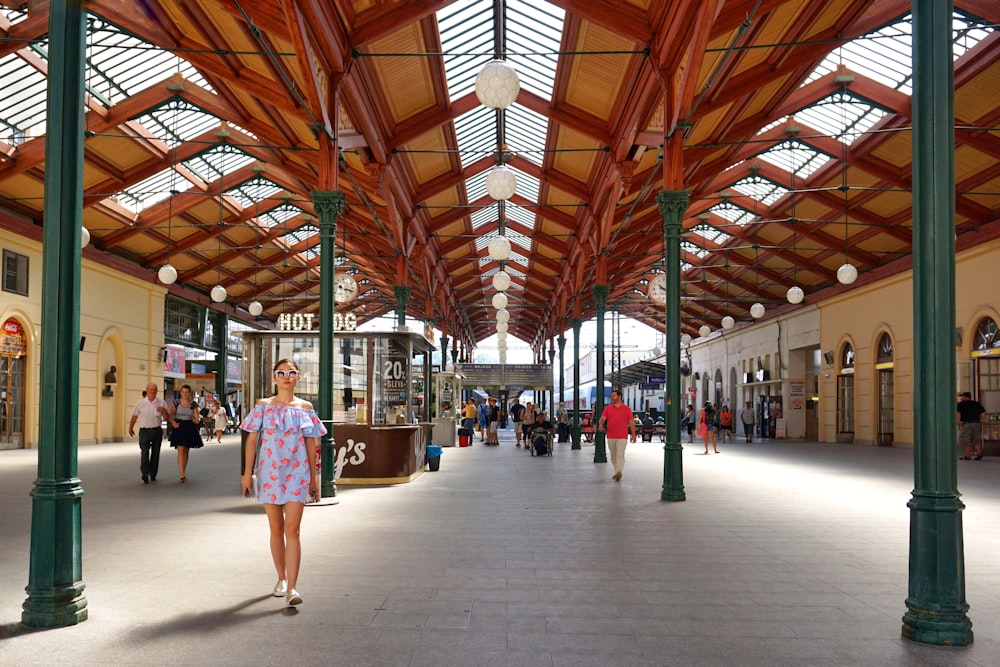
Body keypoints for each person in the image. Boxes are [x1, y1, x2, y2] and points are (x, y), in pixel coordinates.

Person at [240, 359, 325, 608]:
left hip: (297, 472)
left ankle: (293, 587)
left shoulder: (306, 407)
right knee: (276, 529)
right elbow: (252, 441)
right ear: (274, 378)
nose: (286, 376)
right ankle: (281, 577)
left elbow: (312, 443)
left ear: (298, 377)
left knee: (293, 530)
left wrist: (313, 478)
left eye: (291, 372)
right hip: (269, 472)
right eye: (281, 372)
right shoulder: (263, 406)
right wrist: (247, 474)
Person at [128, 383, 168, 484]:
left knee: (155, 453)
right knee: (144, 452)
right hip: (144, 431)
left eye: (154, 389)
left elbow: (166, 419)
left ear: (157, 391)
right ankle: (145, 473)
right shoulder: (140, 403)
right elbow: (134, 416)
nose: (153, 391)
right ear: (146, 390)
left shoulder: (162, 402)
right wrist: (130, 427)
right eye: (151, 389)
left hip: (156, 431)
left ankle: (153, 473)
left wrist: (164, 411)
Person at [598, 389, 637, 481]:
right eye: (611, 396)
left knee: (620, 454)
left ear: (619, 397)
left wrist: (633, 435)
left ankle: (619, 471)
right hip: (610, 435)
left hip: (622, 436)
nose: (612, 398)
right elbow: (603, 418)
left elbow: (631, 422)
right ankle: (616, 471)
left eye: (614, 396)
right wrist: (601, 424)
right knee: (613, 455)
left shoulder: (627, 409)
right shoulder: (608, 408)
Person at [167, 384, 204, 481]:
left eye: (187, 392)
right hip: (178, 426)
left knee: (186, 450)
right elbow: (169, 415)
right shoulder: (176, 402)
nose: (185, 394)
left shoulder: (193, 404)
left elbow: (196, 417)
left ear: (190, 393)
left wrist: (196, 420)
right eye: (183, 392)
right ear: (181, 393)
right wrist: (173, 423)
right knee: (180, 449)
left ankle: (184, 470)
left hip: (189, 426)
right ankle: (181, 473)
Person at [957, 391, 986, 460]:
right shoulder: (976, 403)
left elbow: (958, 413)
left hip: (966, 424)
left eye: (962, 397)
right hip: (977, 423)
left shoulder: (961, 404)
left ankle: (968, 456)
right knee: (976, 439)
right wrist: (982, 420)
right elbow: (983, 412)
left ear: (965, 397)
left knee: (966, 440)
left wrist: (958, 421)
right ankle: (979, 454)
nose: (961, 398)